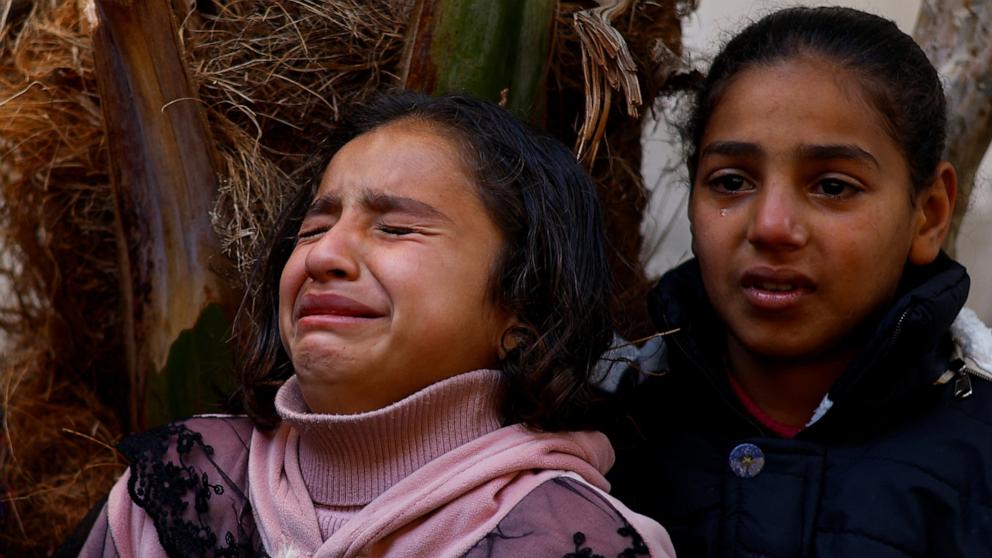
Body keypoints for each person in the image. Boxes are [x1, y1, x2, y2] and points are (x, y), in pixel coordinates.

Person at [64, 93, 676, 557]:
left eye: (395, 228)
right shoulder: (182, 479)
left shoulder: (570, 536)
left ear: (523, 307)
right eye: (312, 229)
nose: (323, 256)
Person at [607, 6, 992, 557]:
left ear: (928, 213)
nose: (770, 227)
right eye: (732, 181)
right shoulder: (600, 427)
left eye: (833, 187)